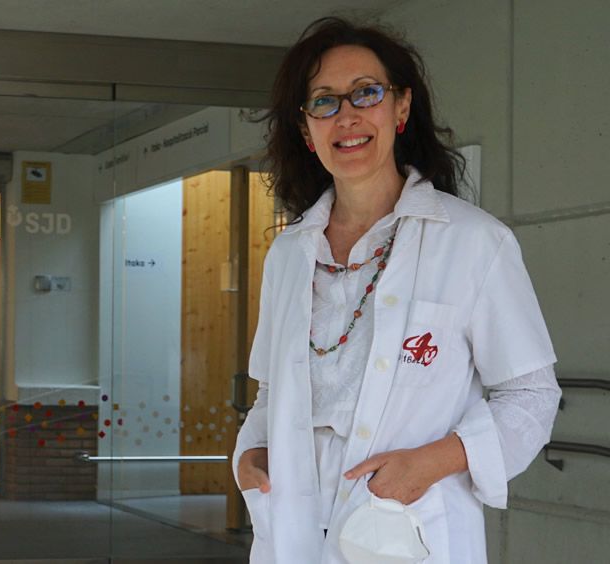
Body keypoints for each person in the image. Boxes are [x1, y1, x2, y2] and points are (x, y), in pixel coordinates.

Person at [232, 17, 560, 563]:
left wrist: (434, 462)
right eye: (324, 101)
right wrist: (251, 454)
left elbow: (531, 396)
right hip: (293, 530)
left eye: (367, 93)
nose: (347, 116)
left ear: (401, 108)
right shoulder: (289, 254)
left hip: (405, 529)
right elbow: (271, 392)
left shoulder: (475, 242)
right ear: (307, 130)